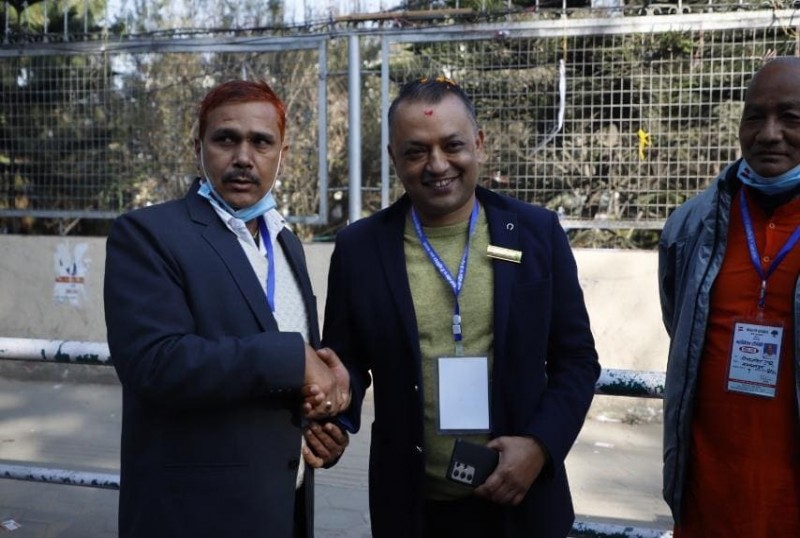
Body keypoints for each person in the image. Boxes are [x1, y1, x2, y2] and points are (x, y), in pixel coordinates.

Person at [322, 76, 601, 537]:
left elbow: (577, 360)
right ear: (393, 158)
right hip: (412, 508)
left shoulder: (536, 234)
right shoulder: (360, 249)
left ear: (479, 144)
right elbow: (345, 360)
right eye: (415, 151)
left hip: (522, 504)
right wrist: (334, 419)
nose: (437, 165)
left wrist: (540, 446)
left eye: (452, 145)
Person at [104, 79, 350, 538]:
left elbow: (287, 380)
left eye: (261, 142)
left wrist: (320, 425)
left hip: (283, 512)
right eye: (225, 139)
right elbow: (154, 363)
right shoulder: (148, 234)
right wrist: (294, 358)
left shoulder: (286, 242)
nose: (243, 157)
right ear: (197, 147)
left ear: (282, 153)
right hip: (194, 517)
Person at [659, 56, 800, 537]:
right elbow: (678, 325)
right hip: (707, 505)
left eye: (790, 117)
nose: (769, 134)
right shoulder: (690, 227)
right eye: (755, 116)